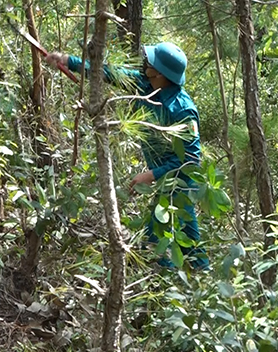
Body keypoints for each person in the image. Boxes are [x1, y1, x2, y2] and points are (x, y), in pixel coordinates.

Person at [46, 43, 209, 270]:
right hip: (163, 182)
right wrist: (67, 60)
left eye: (149, 62)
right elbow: (107, 72)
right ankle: (197, 279)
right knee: (187, 241)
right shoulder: (145, 83)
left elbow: (191, 160)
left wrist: (151, 175)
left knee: (160, 239)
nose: (144, 64)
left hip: (181, 185)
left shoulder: (182, 109)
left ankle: (169, 286)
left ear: (161, 73)